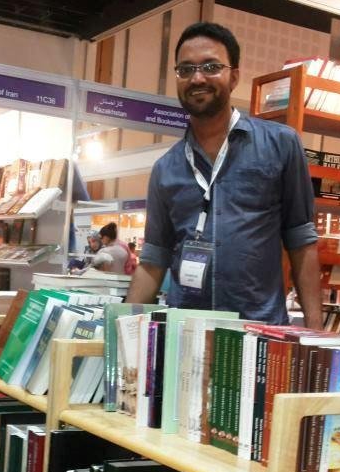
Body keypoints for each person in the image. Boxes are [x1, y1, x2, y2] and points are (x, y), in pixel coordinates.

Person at [126, 22, 322, 328]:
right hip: (185, 334)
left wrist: (314, 330)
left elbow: (301, 241)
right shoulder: (166, 169)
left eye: (211, 66)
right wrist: (123, 331)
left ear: (234, 77)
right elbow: (153, 260)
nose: (197, 78)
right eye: (186, 69)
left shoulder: (280, 144)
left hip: (258, 333)